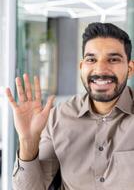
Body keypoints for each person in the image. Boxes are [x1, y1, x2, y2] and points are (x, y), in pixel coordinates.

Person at [6, 22, 134, 190]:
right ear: (82, 67)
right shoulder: (57, 117)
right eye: (91, 59)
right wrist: (27, 142)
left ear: (130, 68)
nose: (101, 69)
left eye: (113, 59)